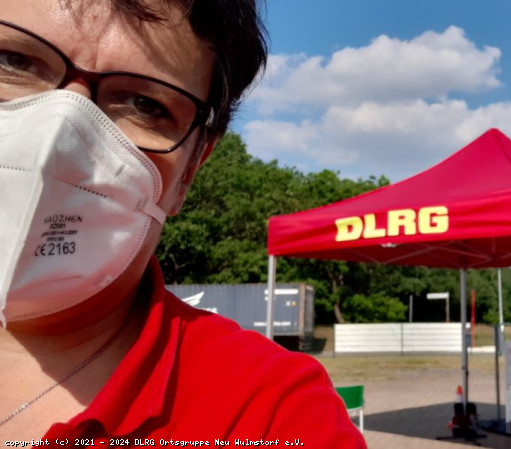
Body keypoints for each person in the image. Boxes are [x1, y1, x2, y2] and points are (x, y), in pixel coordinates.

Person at [0, 1, 366, 446]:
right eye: (13, 61)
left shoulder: (273, 412)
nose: (59, 139)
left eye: (145, 104)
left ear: (190, 169)